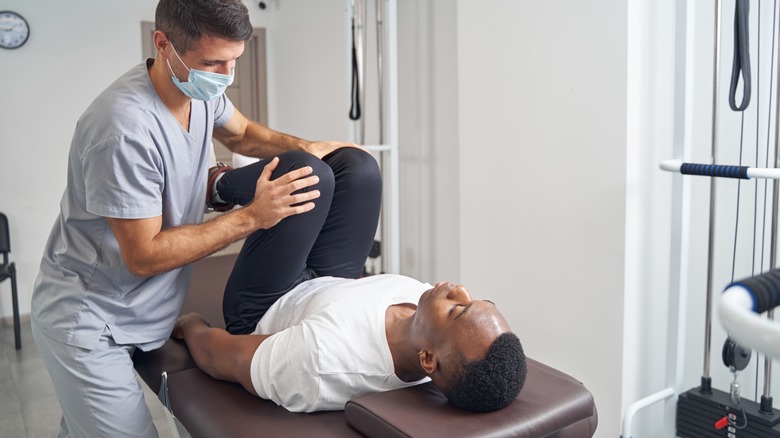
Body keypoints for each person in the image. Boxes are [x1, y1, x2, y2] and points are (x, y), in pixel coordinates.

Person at [30, 0, 367, 436]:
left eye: (234, 61)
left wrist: (305, 146)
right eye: (213, 62)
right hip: (93, 321)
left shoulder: (197, 89)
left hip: (147, 307)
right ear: (163, 44)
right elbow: (144, 255)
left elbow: (242, 132)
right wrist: (253, 217)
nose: (226, 75)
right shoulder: (122, 128)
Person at [173, 157, 528, 414]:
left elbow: (224, 357)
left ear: (428, 360)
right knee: (360, 171)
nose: (459, 289)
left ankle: (215, 186)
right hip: (332, 284)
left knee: (305, 174)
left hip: (267, 304)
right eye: (475, 298)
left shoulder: (325, 360)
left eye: (457, 308)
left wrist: (191, 324)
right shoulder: (431, 327)